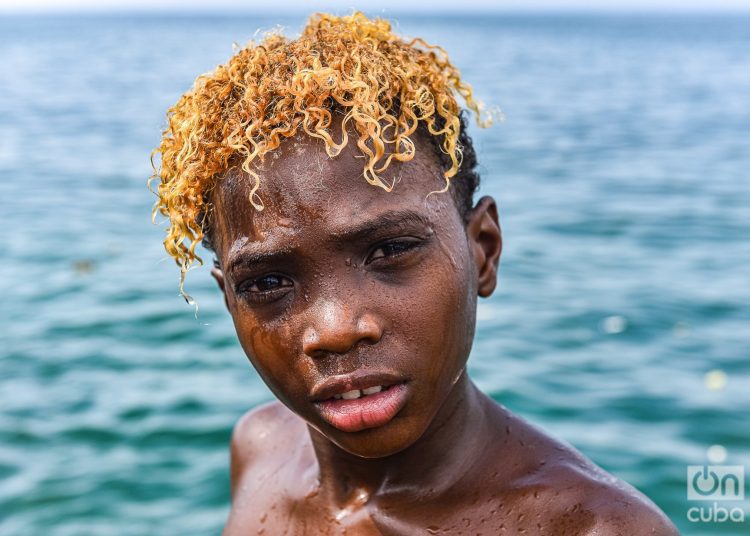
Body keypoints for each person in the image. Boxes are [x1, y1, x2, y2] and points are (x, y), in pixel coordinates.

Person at [151, 11, 679, 535]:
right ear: (229, 301)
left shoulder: (593, 528)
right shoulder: (259, 447)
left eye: (390, 250)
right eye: (267, 283)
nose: (336, 329)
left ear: (483, 251)